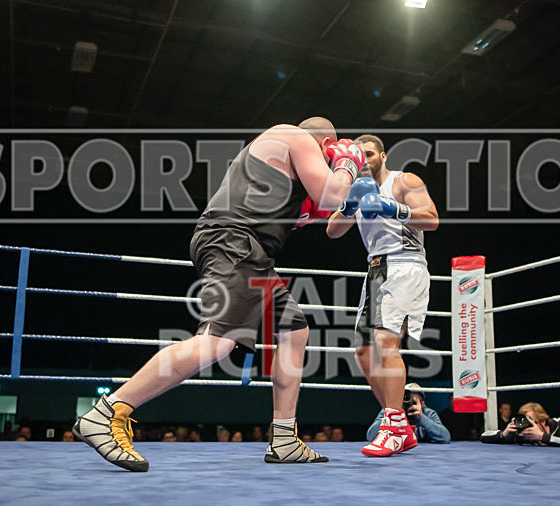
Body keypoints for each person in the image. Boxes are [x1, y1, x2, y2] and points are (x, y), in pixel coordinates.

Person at [74, 118, 363, 471]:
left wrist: (343, 203)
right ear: (326, 143)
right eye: (329, 154)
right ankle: (107, 412)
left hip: (249, 251)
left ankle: (285, 437)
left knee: (293, 330)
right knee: (218, 342)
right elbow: (331, 193)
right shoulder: (296, 135)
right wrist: (348, 163)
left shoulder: (280, 167)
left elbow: (325, 219)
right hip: (234, 243)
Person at [326, 134, 439, 457]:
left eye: (370, 154)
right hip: (375, 269)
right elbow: (333, 231)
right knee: (363, 352)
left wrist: (393, 207)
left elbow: (432, 219)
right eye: (359, 155)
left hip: (405, 263)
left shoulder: (405, 180)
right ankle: (400, 426)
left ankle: (391, 426)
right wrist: (349, 205)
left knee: (385, 342)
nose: (365, 159)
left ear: (383, 156)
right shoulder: (355, 189)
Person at [366, 383, 450, 445]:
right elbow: (370, 437)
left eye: (413, 402)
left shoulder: (428, 413)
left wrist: (421, 418)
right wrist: (392, 413)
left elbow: (445, 438)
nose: (409, 404)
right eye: (405, 400)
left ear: (422, 404)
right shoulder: (390, 410)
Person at [480, 402, 560, 449]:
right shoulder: (523, 432)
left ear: (542, 421)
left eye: (531, 421)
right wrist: (504, 434)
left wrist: (543, 437)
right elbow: (484, 435)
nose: (527, 425)